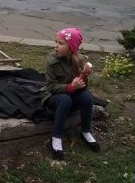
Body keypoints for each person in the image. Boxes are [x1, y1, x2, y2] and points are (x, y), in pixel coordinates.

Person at [40, 28, 99, 161]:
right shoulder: (52, 61)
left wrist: (85, 76)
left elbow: (83, 87)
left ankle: (85, 131)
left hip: (71, 91)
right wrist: (71, 87)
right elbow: (51, 86)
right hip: (52, 94)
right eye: (56, 42)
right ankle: (56, 137)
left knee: (86, 98)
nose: (56, 46)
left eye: (61, 43)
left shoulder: (78, 60)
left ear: (71, 47)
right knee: (65, 100)